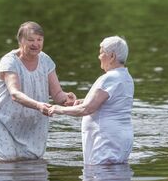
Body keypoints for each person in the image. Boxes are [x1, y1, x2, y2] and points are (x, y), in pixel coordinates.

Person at [0, 21, 76, 161]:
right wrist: (39, 105)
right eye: (30, 40)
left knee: (31, 162)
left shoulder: (46, 61)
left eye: (39, 40)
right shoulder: (10, 62)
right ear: (21, 40)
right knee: (5, 162)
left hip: (32, 124)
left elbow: (57, 94)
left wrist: (67, 99)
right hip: (3, 120)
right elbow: (15, 94)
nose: (36, 44)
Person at [49, 36, 134, 165]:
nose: (99, 57)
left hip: (106, 140)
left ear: (111, 56)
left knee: (101, 180)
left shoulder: (109, 78)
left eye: (101, 53)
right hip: (119, 138)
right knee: (116, 180)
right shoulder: (126, 77)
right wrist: (82, 101)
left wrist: (58, 109)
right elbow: (108, 102)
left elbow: (87, 109)